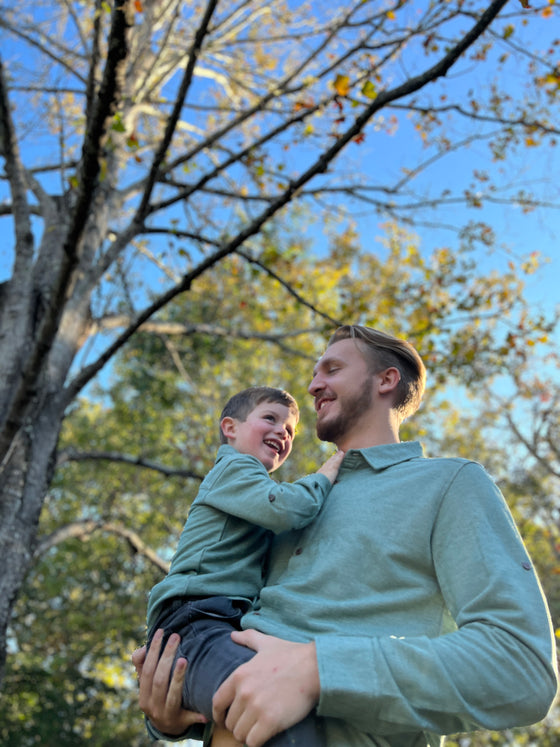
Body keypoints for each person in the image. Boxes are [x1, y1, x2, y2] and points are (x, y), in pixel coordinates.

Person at [134, 325, 559, 747]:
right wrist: (170, 719)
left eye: (332, 369)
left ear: (386, 380)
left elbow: (521, 667)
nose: (314, 384)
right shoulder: (285, 505)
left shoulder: (450, 483)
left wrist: (320, 670)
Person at [143, 386, 345, 746]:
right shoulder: (234, 468)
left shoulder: (250, 492)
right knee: (278, 717)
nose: (283, 431)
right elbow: (287, 508)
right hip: (194, 622)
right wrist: (327, 473)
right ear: (230, 428)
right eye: (271, 418)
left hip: (217, 627)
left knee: (263, 713)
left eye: (291, 430)